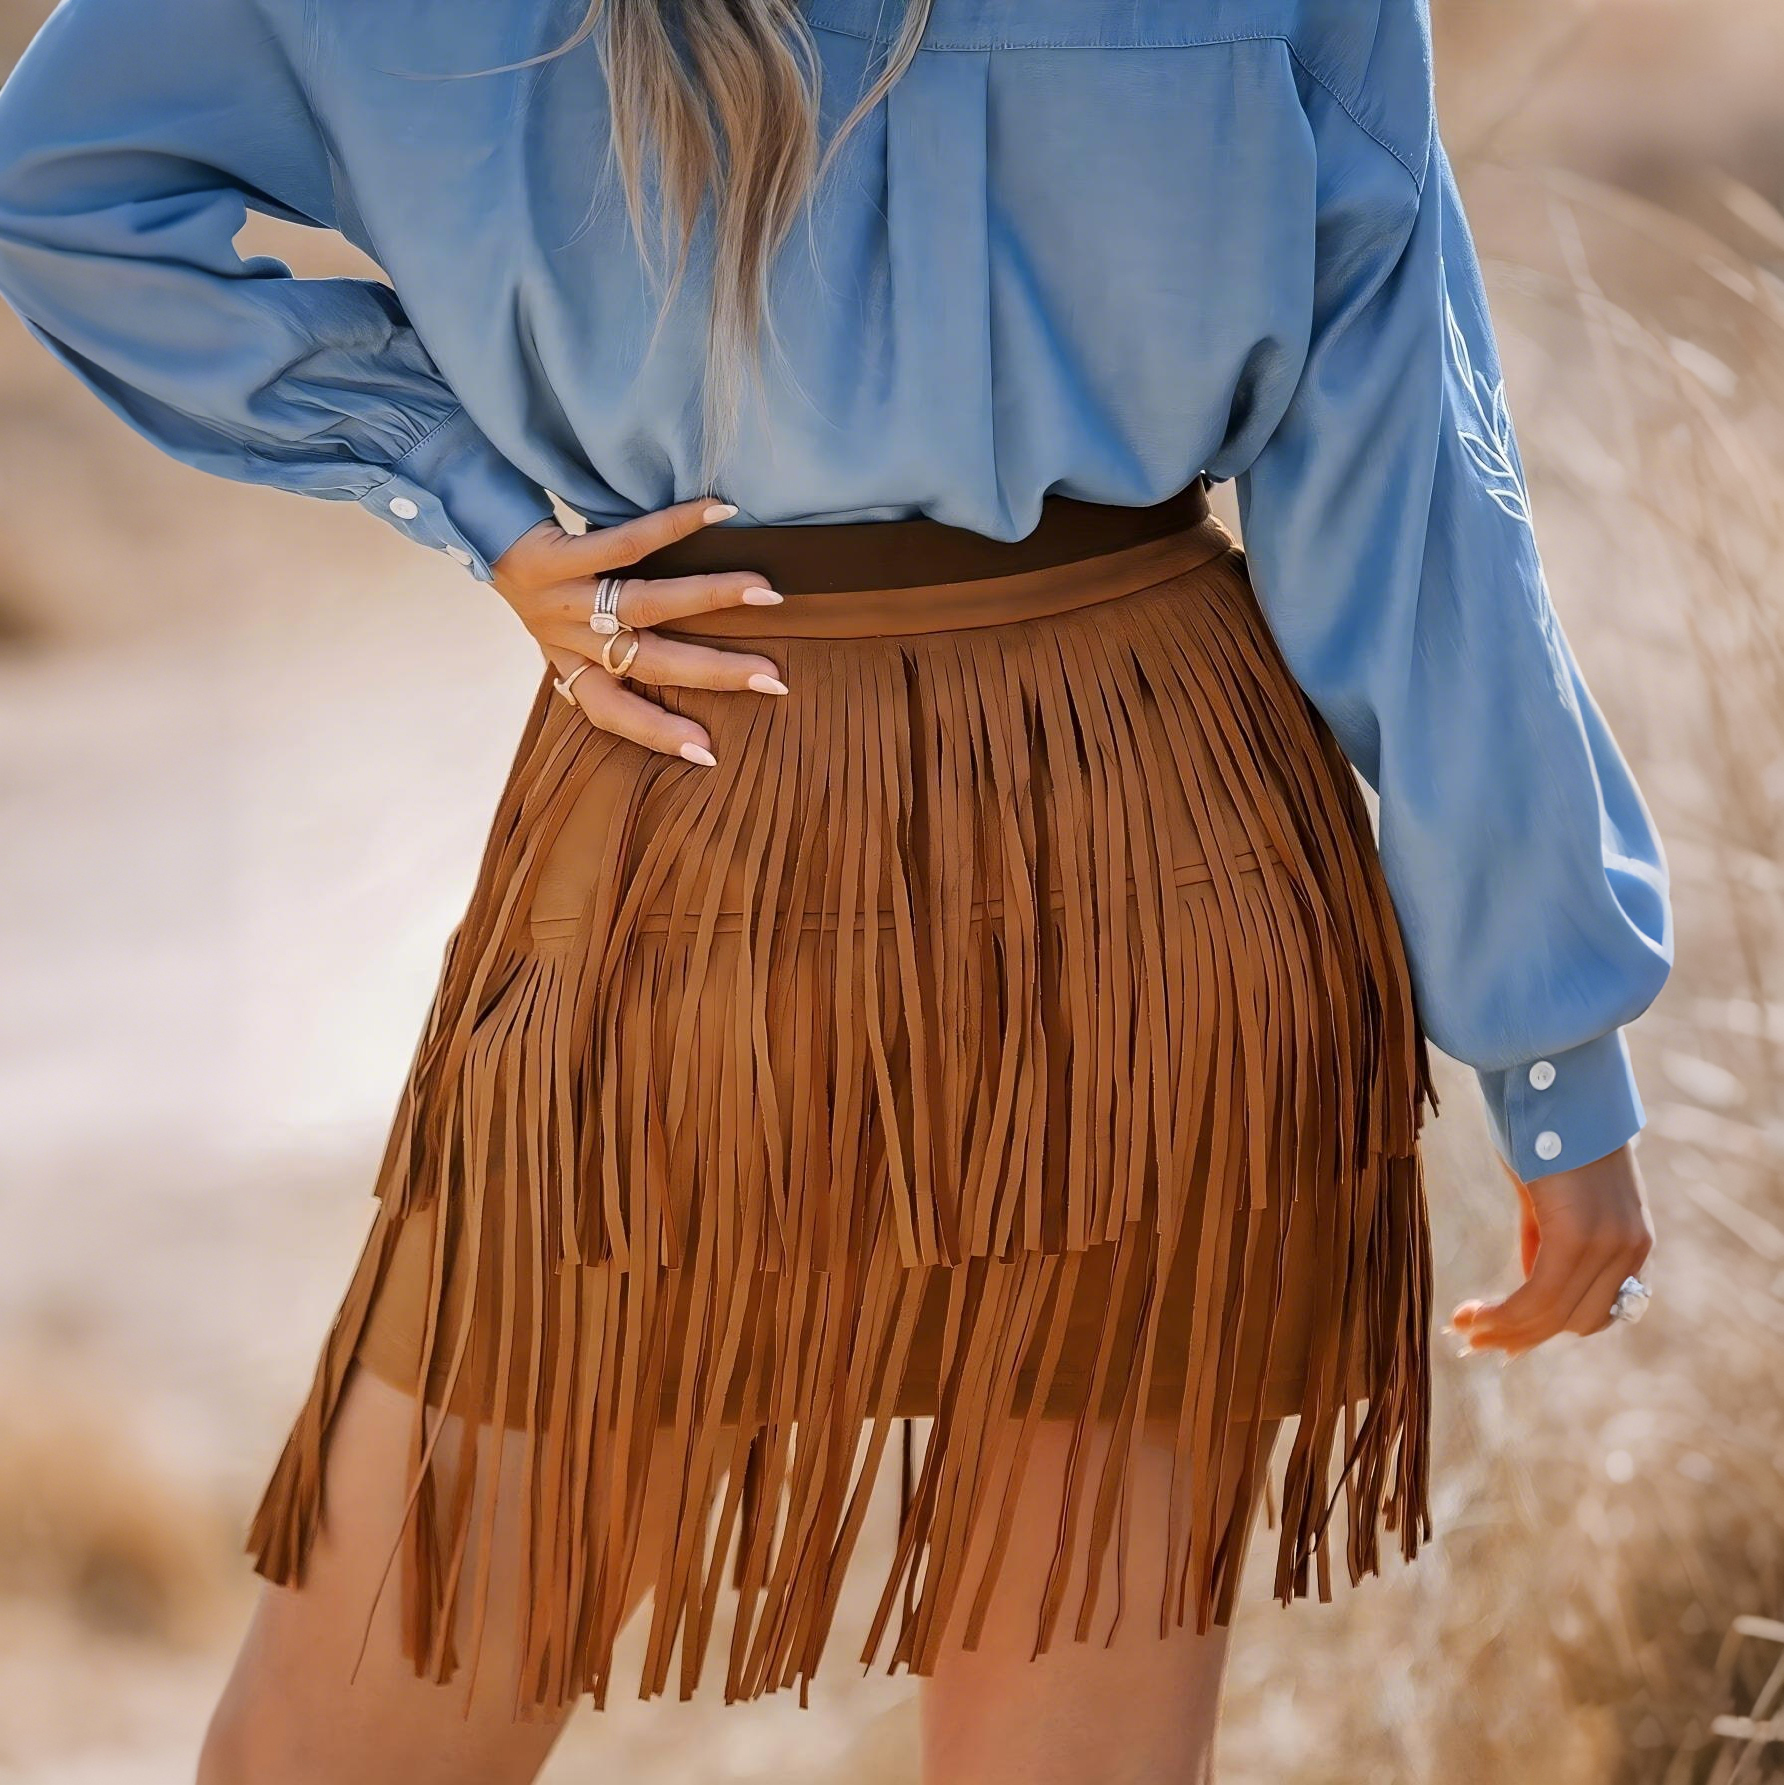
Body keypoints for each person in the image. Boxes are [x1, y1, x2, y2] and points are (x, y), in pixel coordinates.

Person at [0, 0, 1672, 1779]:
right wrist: (1550, 1050)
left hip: (705, 773)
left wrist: (471, 493)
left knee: (349, 1731)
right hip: (1159, 819)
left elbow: (66, 181)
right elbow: (1406, 472)